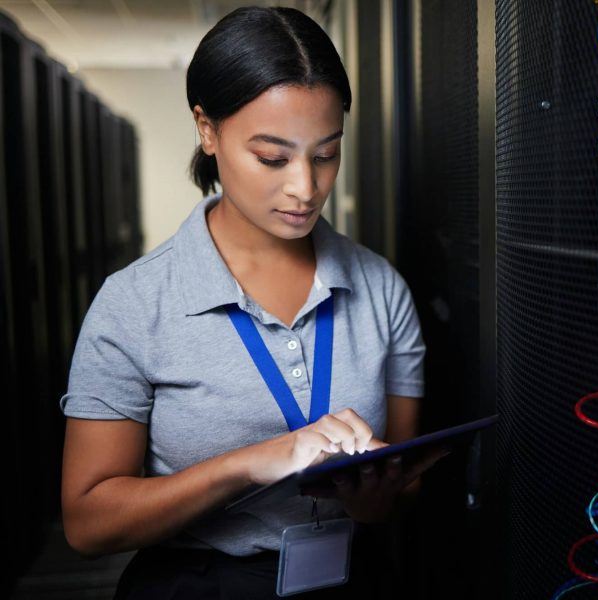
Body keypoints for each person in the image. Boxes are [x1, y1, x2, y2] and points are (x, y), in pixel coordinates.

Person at [59, 6, 441, 598]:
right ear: (207, 130)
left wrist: (375, 499)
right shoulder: (134, 304)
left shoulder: (381, 288)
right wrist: (253, 461)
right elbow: (87, 523)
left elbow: (404, 486)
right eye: (272, 157)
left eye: (325, 153)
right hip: (200, 583)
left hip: (353, 576)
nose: (305, 188)